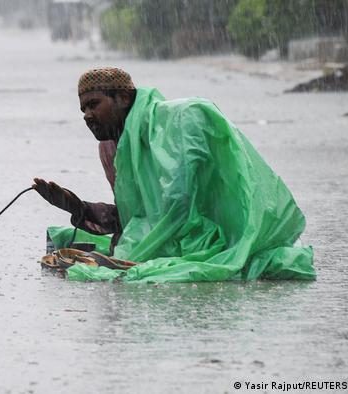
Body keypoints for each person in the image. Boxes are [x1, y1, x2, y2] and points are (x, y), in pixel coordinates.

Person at [33, 67, 315, 283]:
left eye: (94, 104)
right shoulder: (111, 148)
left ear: (122, 98)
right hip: (166, 234)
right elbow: (137, 217)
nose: (87, 115)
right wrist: (78, 207)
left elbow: (179, 209)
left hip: (209, 232)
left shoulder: (183, 119)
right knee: (67, 246)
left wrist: (131, 255)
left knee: (119, 269)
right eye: (83, 108)